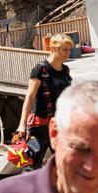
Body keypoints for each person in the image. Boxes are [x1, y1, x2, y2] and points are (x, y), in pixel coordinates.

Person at [16, 33, 74, 168]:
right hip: (39, 125)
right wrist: (22, 125)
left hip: (59, 124)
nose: (68, 53)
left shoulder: (65, 70)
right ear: (54, 48)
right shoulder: (40, 69)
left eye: (69, 49)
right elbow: (29, 97)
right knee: (32, 164)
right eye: (64, 49)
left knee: (65, 163)